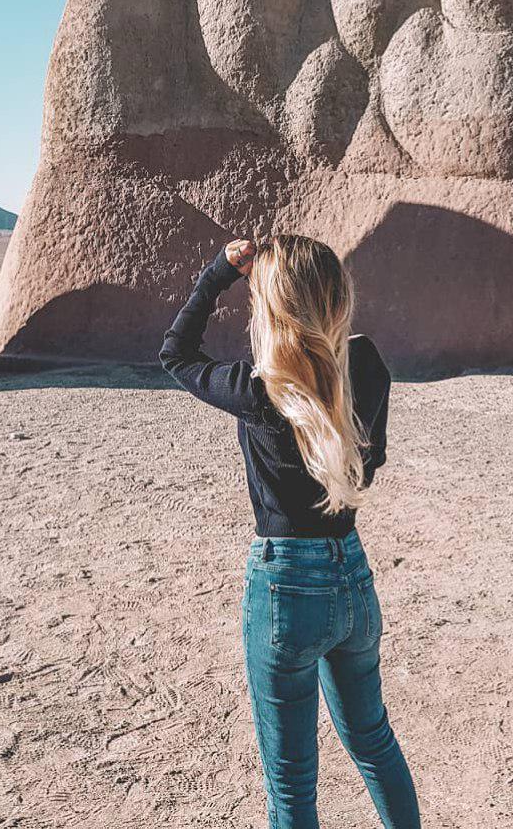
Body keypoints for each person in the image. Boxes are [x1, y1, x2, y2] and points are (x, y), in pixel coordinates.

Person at [160, 234, 421, 829]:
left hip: (285, 589)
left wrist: (218, 273)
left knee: (292, 783)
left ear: (271, 306)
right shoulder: (369, 367)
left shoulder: (259, 389)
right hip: (352, 575)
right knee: (374, 744)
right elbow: (367, 463)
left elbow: (175, 353)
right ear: (336, 298)